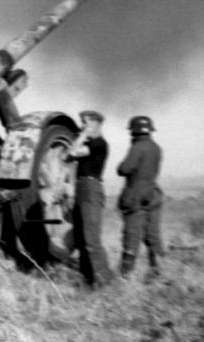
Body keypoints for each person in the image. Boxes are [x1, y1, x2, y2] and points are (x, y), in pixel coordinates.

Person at [66, 110, 113, 287]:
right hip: (82, 188)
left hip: (92, 188)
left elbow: (72, 152)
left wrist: (83, 135)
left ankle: (104, 280)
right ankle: (88, 279)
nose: (82, 127)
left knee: (91, 237)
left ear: (97, 124)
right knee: (80, 236)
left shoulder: (99, 144)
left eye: (85, 123)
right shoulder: (91, 143)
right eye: (82, 123)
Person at [117, 115, 164, 280]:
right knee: (153, 234)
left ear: (134, 131)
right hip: (153, 194)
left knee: (131, 235)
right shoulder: (156, 148)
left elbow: (124, 169)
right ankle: (157, 271)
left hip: (134, 196)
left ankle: (126, 276)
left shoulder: (137, 148)